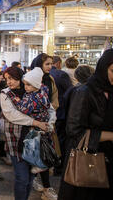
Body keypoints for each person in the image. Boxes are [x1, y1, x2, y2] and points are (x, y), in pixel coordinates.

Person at [58, 49, 113, 200]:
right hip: (87, 164)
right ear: (103, 68)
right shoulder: (84, 92)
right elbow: (73, 131)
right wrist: (109, 136)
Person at [1, 66, 55, 200]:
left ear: (21, 78)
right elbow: (12, 115)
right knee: (22, 178)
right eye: (7, 79)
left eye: (12, 78)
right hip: (16, 140)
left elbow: (50, 108)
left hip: (34, 141)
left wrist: (50, 123)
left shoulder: (34, 89)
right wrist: (36, 123)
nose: (9, 82)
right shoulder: (6, 94)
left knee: (31, 177)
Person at [30, 53, 59, 200]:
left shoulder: (50, 79)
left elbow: (54, 99)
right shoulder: (31, 78)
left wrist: (50, 114)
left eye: (51, 64)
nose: (50, 66)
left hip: (48, 121)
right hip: (34, 123)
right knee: (40, 154)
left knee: (44, 154)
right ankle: (45, 186)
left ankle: (43, 184)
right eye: (47, 64)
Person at [50, 56, 73, 175]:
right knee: (61, 140)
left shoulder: (45, 75)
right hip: (60, 112)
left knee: (52, 139)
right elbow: (70, 91)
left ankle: (51, 164)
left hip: (49, 113)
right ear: (58, 63)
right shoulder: (61, 74)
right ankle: (59, 167)